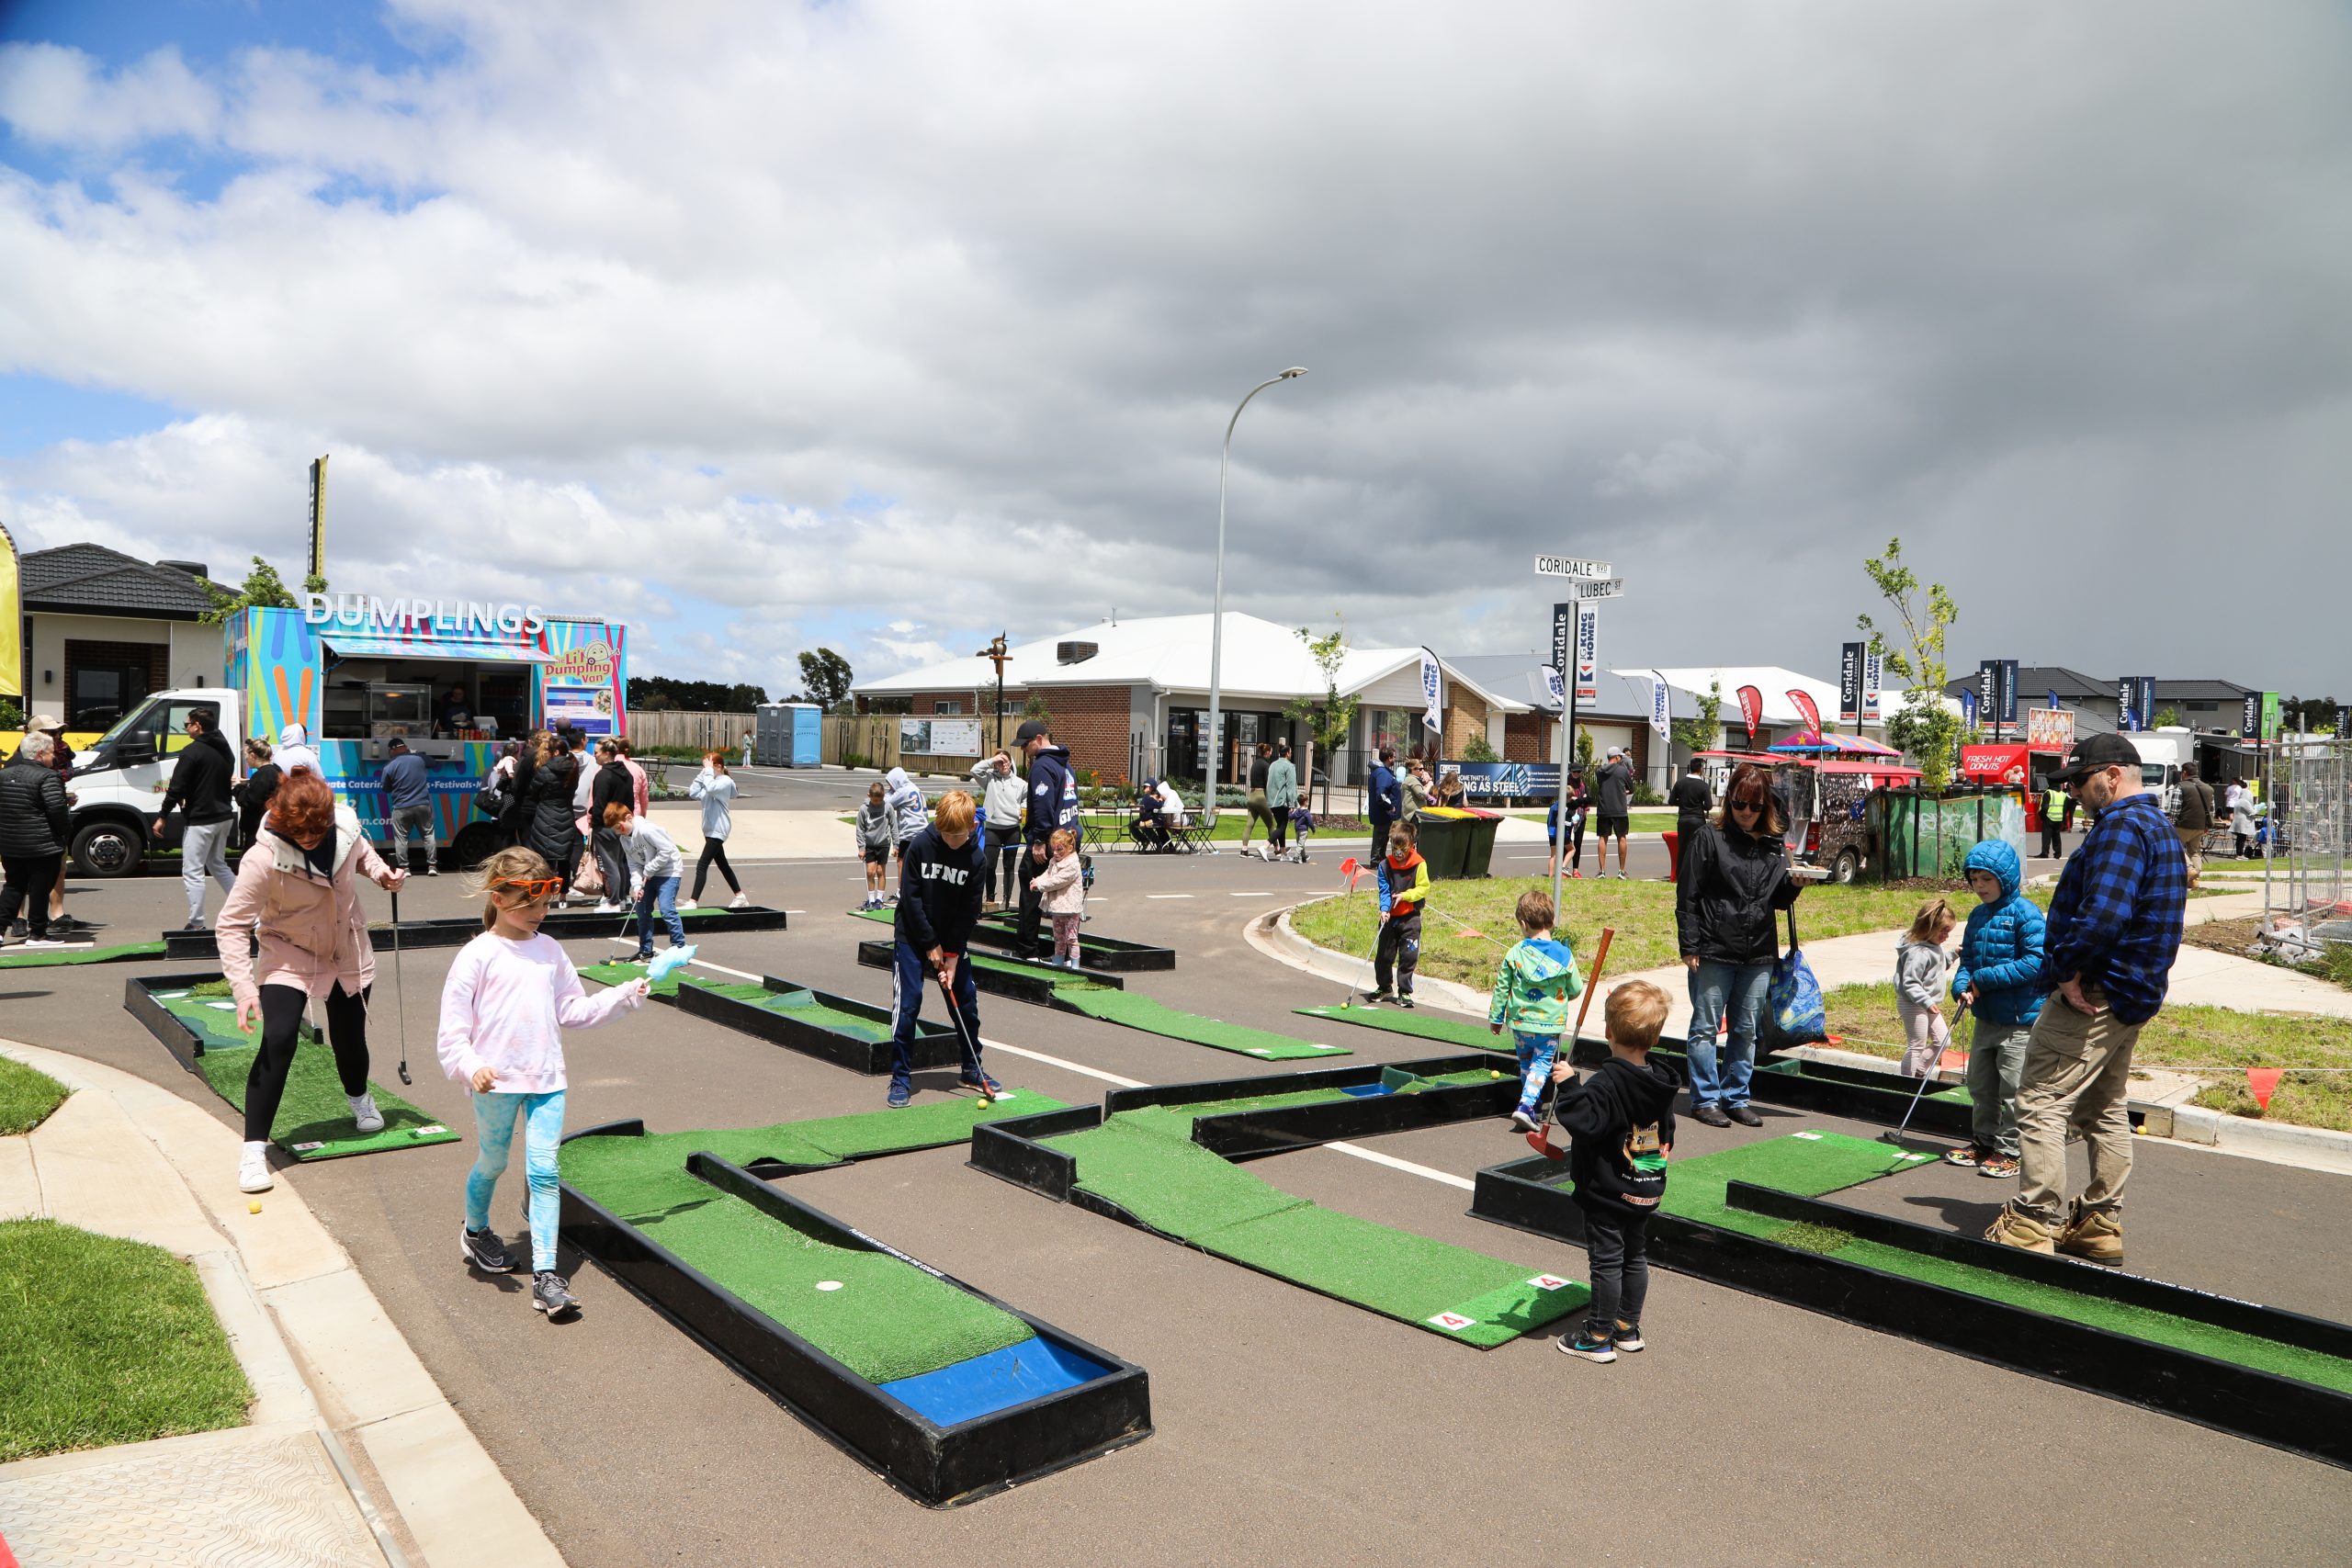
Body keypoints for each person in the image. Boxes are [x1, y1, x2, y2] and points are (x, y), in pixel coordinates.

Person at [1985, 734, 2186, 1263]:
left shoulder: (2120, 827)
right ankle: (2100, 1223)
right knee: (2103, 1104)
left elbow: (2103, 916)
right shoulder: (2157, 826)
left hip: (2095, 989)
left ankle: (2032, 1220)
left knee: (2039, 1097)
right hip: (2131, 992)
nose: (2072, 790)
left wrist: (2065, 970)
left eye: (2079, 779)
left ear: (2112, 776)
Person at [438, 844, 650, 1318]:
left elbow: (573, 1010)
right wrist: (472, 1067)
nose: (540, 913)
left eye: (545, 904)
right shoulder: (477, 955)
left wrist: (624, 995)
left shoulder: (550, 950)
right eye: (529, 904)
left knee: (544, 1171)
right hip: (495, 1084)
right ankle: (475, 1231)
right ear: (499, 897)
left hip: (547, 1080)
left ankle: (547, 1275)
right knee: (493, 1162)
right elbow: (451, 1035)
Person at [218, 771, 407, 1194]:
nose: (307, 838)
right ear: (280, 817)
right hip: (288, 950)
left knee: (349, 1036)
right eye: (298, 832)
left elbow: (363, 855)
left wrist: (383, 874)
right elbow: (231, 925)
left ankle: (359, 1098)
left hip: (346, 947)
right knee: (279, 1038)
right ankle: (253, 1151)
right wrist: (244, 990)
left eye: (315, 831)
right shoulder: (262, 858)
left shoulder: (346, 827)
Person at [1550, 980, 1678, 1364]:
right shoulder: (1659, 1081)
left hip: (1607, 1189)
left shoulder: (1607, 1082)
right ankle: (1627, 1326)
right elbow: (1666, 1129)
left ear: (1608, 1032)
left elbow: (1585, 1122)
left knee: (1606, 1261)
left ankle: (1598, 1335)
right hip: (1644, 1182)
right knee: (1634, 1255)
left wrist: (1569, 1086)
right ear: (1655, 1038)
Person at [1675, 761, 1800, 1127]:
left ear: (1766, 806)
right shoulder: (1709, 837)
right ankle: (1705, 1099)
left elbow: (1776, 901)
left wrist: (1794, 885)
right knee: (1705, 1027)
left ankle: (1735, 1096)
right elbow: (1688, 894)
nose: (1746, 812)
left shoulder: (1773, 844)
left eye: (1755, 806)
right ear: (1728, 800)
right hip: (1714, 947)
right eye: (1739, 804)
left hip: (1758, 950)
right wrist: (1690, 945)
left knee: (1746, 1029)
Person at [888, 788, 992, 1108]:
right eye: (945, 834)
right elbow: (910, 899)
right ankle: (900, 1078)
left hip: (951, 939)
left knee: (966, 1003)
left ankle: (972, 1069)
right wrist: (930, 944)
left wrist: (952, 955)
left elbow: (968, 912)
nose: (950, 840)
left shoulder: (976, 859)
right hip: (912, 935)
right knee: (908, 1005)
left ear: (972, 827)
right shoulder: (921, 845)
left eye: (957, 836)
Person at [1946, 840, 2044, 1180]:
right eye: (1974, 880)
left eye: (1987, 879)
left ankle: (2010, 1150)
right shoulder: (1977, 916)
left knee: (2013, 1090)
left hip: (2018, 1021)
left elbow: (2034, 963)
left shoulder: (2026, 913)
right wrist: (1961, 985)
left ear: (2006, 878)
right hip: (1985, 1017)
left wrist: (1983, 980)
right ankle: (1983, 1142)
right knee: (1980, 1085)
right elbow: (1968, 961)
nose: (1980, 886)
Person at [1487, 888, 1583, 1134]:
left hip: (1520, 1023)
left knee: (1526, 1065)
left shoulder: (1516, 952)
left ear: (1523, 923)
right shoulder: (1564, 955)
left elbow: (1502, 987)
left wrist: (1496, 1017)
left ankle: (1534, 1106)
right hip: (1549, 1024)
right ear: (1552, 920)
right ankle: (1527, 1105)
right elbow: (1575, 988)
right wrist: (1561, 996)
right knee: (1540, 1065)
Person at [154, 704, 238, 931]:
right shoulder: (225, 750)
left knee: (193, 870)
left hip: (201, 819)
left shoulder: (191, 752)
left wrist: (162, 816)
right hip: (224, 815)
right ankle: (250, 915)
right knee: (218, 865)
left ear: (197, 726)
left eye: (187, 724)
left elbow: (176, 787)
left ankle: (197, 922)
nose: (185, 728)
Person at [0, 731, 72, 948]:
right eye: (51, 753)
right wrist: (64, 833)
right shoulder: (48, 776)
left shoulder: (4, 775)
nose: (53, 757)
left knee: (14, 886)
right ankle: (38, 933)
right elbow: (56, 809)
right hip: (42, 843)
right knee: (40, 887)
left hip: (10, 843)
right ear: (40, 754)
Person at [1014, 721, 1078, 955]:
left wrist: (1039, 840)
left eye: (1026, 744)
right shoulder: (1065, 765)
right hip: (1067, 839)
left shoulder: (1042, 766)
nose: (1023, 750)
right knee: (1064, 897)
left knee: (1031, 888)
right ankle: (1066, 950)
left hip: (1049, 842)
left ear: (1039, 739)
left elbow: (1043, 806)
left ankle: (1027, 950)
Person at [1363, 822, 1429, 1009]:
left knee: (1408, 956)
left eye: (1403, 849)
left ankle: (1404, 991)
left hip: (1410, 918)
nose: (1398, 853)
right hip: (1390, 918)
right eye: (1395, 848)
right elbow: (1384, 890)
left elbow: (1423, 888)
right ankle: (1384, 987)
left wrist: (1406, 896)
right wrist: (1384, 909)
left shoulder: (1419, 864)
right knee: (1384, 956)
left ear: (1412, 846)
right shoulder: (1385, 865)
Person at [608, 803, 684, 961]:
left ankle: (679, 949)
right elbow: (633, 864)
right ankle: (646, 949)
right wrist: (637, 886)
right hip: (647, 875)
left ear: (629, 817)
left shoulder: (646, 829)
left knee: (667, 910)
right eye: (614, 830)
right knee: (642, 910)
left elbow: (666, 850)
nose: (618, 832)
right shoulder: (624, 839)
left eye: (619, 827)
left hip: (669, 872)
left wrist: (649, 869)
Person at [1894, 896, 1957, 1078]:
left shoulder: (1932, 945)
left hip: (1926, 1002)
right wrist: (1926, 1002)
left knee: (1943, 1040)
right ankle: (1908, 1083)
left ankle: (1918, 1072)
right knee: (1917, 1045)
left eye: (1948, 932)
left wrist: (1952, 954)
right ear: (1928, 928)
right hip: (1912, 1002)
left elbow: (1935, 968)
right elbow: (1910, 982)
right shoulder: (1918, 952)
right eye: (1943, 931)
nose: (1946, 936)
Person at [519, 730, 582, 906]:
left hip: (545, 816)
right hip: (566, 815)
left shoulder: (545, 770)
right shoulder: (573, 768)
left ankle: (543, 895)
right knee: (564, 858)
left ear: (555, 752)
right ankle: (563, 896)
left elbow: (533, 791)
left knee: (544, 858)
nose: (546, 752)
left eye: (548, 750)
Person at [683, 751, 748, 909]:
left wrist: (708, 773)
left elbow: (711, 789)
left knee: (702, 864)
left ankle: (693, 901)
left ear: (718, 767)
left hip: (719, 829)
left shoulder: (725, 781)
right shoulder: (709, 780)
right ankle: (740, 896)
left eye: (708, 767)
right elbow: (694, 792)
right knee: (723, 864)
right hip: (709, 829)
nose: (705, 770)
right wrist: (702, 774)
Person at [380, 735, 436, 876]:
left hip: (401, 806)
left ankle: (405, 869)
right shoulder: (419, 759)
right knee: (428, 835)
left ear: (392, 750)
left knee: (401, 838)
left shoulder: (389, 766)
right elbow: (433, 762)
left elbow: (385, 788)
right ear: (405, 748)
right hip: (422, 804)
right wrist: (416, 754)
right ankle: (432, 866)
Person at [588, 739, 633, 912]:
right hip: (622, 824)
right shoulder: (626, 773)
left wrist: (595, 822)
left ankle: (613, 902)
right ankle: (621, 899)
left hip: (606, 826)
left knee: (610, 865)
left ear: (607, 754)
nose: (595, 755)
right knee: (619, 863)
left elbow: (599, 803)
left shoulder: (603, 775)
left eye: (597, 752)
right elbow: (630, 801)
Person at [979, 750, 1027, 908]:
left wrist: (1023, 809)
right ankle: (990, 899)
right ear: (995, 764)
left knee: (1009, 866)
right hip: (993, 829)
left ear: (1011, 762)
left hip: (1012, 829)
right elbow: (974, 770)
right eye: (1000, 762)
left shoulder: (1020, 783)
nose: (1003, 764)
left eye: (1006, 761)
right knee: (989, 865)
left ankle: (1007, 899)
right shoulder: (989, 779)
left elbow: (1027, 798)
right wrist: (992, 760)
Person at [1035, 827, 1086, 967]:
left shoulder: (1073, 865)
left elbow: (1057, 881)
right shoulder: (1054, 861)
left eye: (1059, 850)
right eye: (1053, 849)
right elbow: (1047, 874)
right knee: (1058, 937)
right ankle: (1058, 961)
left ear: (1070, 848)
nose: (1055, 853)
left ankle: (1075, 965)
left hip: (1070, 908)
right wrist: (1037, 880)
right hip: (1058, 907)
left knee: (1071, 938)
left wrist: (1040, 885)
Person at [883, 767, 930, 901]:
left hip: (910, 831)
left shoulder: (903, 791)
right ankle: (921, 890)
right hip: (922, 830)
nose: (891, 787)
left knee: (901, 862)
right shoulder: (915, 788)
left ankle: (901, 892)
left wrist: (889, 792)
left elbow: (886, 803)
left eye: (891, 784)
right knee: (920, 863)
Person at [1593, 745, 1636, 878]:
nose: (1620, 759)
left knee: (1602, 838)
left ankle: (1602, 871)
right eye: (1620, 757)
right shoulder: (1622, 771)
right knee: (1621, 838)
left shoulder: (1599, 771)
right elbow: (1632, 788)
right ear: (1617, 757)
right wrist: (1623, 791)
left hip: (1604, 808)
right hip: (1619, 809)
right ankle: (1621, 871)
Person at [2173, 761, 2214, 889]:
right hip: (2200, 826)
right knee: (2195, 851)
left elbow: (2175, 808)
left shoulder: (2180, 786)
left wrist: (2171, 824)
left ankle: (2189, 869)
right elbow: (2211, 810)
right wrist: (2207, 825)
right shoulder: (2209, 788)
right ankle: (2195, 879)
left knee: (2177, 847)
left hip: (2183, 824)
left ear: (2184, 773)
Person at [1668, 760, 1712, 880]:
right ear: (1701, 769)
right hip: (1698, 820)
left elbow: (1671, 801)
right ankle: (1696, 875)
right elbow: (1709, 806)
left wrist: (1682, 803)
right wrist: (1699, 806)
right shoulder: (1703, 785)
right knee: (1698, 848)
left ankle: (1680, 876)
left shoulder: (1680, 783)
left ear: (1690, 768)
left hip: (1683, 819)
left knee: (1682, 848)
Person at [856, 779, 897, 909]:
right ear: (869, 796)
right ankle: (871, 899)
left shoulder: (888, 807)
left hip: (884, 844)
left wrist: (896, 845)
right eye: (875, 800)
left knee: (880, 871)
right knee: (870, 872)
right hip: (870, 845)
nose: (878, 803)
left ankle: (879, 899)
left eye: (880, 800)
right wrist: (861, 848)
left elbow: (894, 826)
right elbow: (860, 829)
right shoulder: (864, 809)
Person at [235, 736, 282, 846]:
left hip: (259, 830)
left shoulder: (263, 775)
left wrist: (237, 787)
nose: (245, 759)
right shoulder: (274, 770)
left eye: (246, 755)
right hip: (268, 826)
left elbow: (248, 800)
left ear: (253, 756)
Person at [1548, 768, 1589, 881]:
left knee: (1553, 855)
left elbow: (1550, 820)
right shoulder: (1568, 809)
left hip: (1551, 832)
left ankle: (1550, 877)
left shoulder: (1554, 806)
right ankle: (1562, 867)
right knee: (1572, 849)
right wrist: (1571, 823)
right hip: (1562, 833)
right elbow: (1563, 821)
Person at [1367, 746, 1402, 869]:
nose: (1395, 759)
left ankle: (1380, 859)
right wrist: (1390, 807)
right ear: (1389, 758)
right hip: (1383, 814)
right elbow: (1381, 795)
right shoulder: (1383, 773)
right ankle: (1376, 861)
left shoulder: (1384, 772)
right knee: (1380, 838)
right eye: (1394, 757)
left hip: (1384, 814)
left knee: (1383, 839)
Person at [1263, 739, 1299, 862]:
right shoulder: (1289, 766)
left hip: (1272, 800)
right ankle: (1265, 846)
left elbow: (1269, 783)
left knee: (1280, 825)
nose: (1291, 754)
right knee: (1282, 827)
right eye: (1291, 752)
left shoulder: (1273, 764)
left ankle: (1283, 852)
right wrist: (1292, 803)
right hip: (1282, 800)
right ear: (1288, 753)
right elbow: (1291, 787)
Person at [1242, 742, 1276, 854]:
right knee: (1271, 824)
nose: (1271, 754)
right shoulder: (1266, 765)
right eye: (1271, 752)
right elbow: (1268, 783)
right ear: (1267, 752)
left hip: (1252, 796)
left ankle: (1244, 850)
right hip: (1261, 796)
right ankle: (1277, 849)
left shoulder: (1255, 764)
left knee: (1249, 824)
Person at [2227, 774, 2257, 859]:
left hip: (2238, 822)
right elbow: (2252, 812)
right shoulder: (2245, 802)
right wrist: (2258, 808)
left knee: (2239, 839)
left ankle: (2238, 853)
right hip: (2243, 823)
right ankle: (2240, 854)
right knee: (2242, 839)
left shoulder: (2238, 801)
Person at [2039, 778, 2068, 860]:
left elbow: (2045, 807)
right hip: (2059, 818)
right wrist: (2063, 818)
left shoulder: (2048, 793)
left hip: (2049, 817)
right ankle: (2058, 853)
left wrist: (2042, 816)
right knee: (2057, 836)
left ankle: (2045, 853)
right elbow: (2065, 808)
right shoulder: (2063, 794)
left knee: (2046, 836)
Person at [1400, 757, 1432, 825]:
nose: (1423, 771)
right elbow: (1421, 795)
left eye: (1423, 769)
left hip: (1409, 815)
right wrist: (1429, 785)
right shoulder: (1412, 780)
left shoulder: (1409, 779)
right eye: (1420, 769)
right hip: (1413, 816)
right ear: (1413, 769)